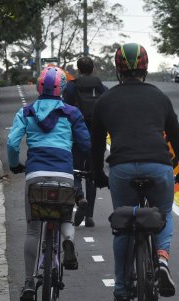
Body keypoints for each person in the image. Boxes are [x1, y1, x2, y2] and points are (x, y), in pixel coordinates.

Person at [91, 43, 179, 301]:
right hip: (158, 166)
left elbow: (96, 145)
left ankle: (123, 288)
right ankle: (161, 259)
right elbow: (177, 138)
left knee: (124, 224)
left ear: (118, 70)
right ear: (146, 69)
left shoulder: (106, 100)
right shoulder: (159, 97)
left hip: (122, 168)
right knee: (164, 213)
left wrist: (97, 174)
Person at [7, 66, 91, 301]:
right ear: (62, 88)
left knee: (33, 229)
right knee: (65, 217)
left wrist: (15, 165)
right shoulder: (71, 113)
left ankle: (28, 283)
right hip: (64, 176)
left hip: (35, 176)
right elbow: (85, 144)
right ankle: (68, 242)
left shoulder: (27, 112)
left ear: (38, 86)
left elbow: (13, 144)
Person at [63, 56, 108, 227]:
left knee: (73, 170)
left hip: (75, 135)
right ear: (93, 69)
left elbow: (65, 110)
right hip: (97, 137)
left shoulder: (71, 87)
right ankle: (90, 216)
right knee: (93, 173)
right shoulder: (101, 87)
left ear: (78, 69)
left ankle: (79, 197)